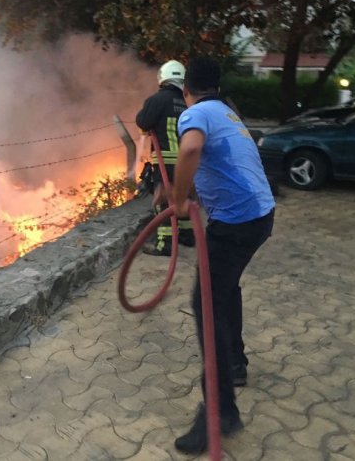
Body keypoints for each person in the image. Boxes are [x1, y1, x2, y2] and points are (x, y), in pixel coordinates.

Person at [171, 56, 275, 454]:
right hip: (259, 215)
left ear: (186, 92)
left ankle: (220, 412)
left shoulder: (195, 115)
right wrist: (190, 191)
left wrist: (180, 199)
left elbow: (192, 149)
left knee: (205, 304)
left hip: (236, 224)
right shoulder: (226, 112)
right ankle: (235, 364)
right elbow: (220, 166)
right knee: (225, 290)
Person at [135, 59, 195, 255]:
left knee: (162, 201)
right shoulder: (188, 102)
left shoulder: (158, 99)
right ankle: (187, 236)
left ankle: (165, 244)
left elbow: (143, 121)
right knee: (183, 196)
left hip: (167, 161)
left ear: (163, 78)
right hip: (188, 161)